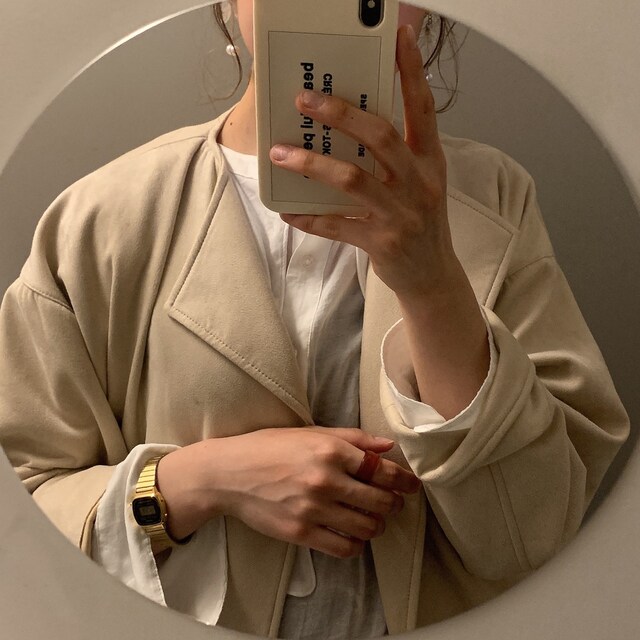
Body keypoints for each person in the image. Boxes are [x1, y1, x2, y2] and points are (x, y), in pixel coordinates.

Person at [0, 1, 629, 638]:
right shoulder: (100, 220)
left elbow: (530, 537)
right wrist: (200, 481)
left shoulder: (493, 198)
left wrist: (432, 279)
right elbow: (24, 515)